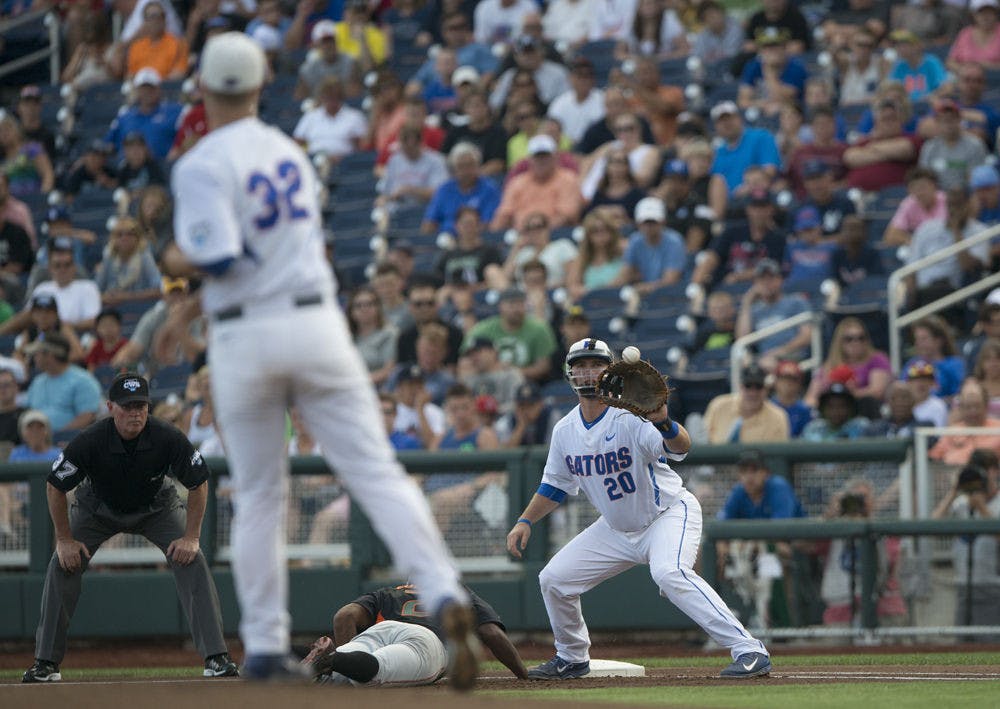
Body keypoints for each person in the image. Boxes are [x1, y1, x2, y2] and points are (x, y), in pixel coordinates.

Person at [161, 33, 478, 684]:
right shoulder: (291, 153)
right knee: (379, 473)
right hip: (316, 321)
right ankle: (445, 593)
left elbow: (217, 257)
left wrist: (174, 266)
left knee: (258, 495)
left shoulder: (199, 162)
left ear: (203, 88)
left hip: (245, 335)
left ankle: (271, 647)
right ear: (260, 84)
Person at [505, 338, 771, 680]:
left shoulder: (630, 417)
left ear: (610, 371)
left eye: (596, 365)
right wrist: (525, 520)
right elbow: (555, 485)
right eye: (581, 366)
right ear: (570, 374)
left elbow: (680, 449)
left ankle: (749, 649)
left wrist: (663, 421)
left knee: (669, 573)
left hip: (667, 514)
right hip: (616, 528)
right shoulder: (564, 430)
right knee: (554, 580)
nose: (588, 372)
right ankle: (571, 656)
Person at [21, 374, 238, 683]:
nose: (135, 413)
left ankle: (216, 656)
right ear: (111, 407)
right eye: (127, 406)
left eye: (141, 406)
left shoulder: (166, 435)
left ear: (149, 408)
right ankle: (45, 662)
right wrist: (64, 539)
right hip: (98, 507)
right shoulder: (91, 439)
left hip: (156, 506)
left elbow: (199, 482)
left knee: (193, 559)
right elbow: (55, 486)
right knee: (63, 563)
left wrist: (190, 537)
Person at [301, 583, 527, 685]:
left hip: (383, 629)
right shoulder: (456, 593)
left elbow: (344, 616)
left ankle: (332, 660)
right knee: (374, 672)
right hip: (425, 642)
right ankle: (335, 658)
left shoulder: (389, 592)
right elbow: (491, 633)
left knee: (336, 679)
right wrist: (523, 674)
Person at [930, 449, 1000, 638]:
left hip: (993, 587)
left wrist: (982, 508)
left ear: (994, 471)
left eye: (985, 470)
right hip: (963, 585)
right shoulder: (961, 503)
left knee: (991, 649)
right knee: (963, 647)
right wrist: (954, 492)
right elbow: (931, 527)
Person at [463, 287, 558, 383]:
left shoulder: (539, 329)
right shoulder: (481, 330)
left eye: (521, 304)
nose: (516, 309)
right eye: (511, 304)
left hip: (528, 385)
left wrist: (511, 373)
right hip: (487, 383)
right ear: (500, 306)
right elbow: (464, 363)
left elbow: (543, 367)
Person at [735, 259, 812, 371]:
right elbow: (742, 340)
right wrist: (747, 302)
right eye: (762, 279)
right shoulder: (754, 310)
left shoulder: (796, 301)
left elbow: (806, 335)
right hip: (764, 359)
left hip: (792, 355)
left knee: (764, 364)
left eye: (771, 278)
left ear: (780, 280)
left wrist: (781, 351)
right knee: (741, 362)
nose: (766, 283)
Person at [804, 318, 891, 415]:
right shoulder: (829, 365)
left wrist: (851, 394)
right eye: (849, 339)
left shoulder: (877, 359)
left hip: (866, 413)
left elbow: (877, 391)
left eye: (861, 338)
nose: (856, 342)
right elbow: (810, 398)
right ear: (839, 341)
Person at [25, 334, 103, 434]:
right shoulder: (37, 382)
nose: (34, 358)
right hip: (35, 443)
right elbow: (28, 412)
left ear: (49, 355)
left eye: (37, 353)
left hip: (68, 443)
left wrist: (57, 436)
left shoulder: (83, 380)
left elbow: (88, 416)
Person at [612, 197, 685, 295]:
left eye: (653, 222)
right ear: (638, 223)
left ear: (662, 222)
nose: (648, 227)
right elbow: (625, 274)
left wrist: (642, 288)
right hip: (647, 297)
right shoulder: (635, 241)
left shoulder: (674, 242)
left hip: (671, 296)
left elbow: (670, 281)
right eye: (645, 222)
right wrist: (602, 291)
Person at [704, 364, 791, 444]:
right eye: (748, 386)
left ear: (766, 390)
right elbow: (704, 442)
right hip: (718, 460)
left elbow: (777, 456)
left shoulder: (778, 417)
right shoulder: (719, 405)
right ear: (741, 387)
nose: (753, 393)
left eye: (758, 387)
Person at [929, 380, 1000, 465]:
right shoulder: (952, 432)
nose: (973, 411)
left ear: (985, 406)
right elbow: (934, 458)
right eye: (968, 407)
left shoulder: (997, 429)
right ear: (961, 408)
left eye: (977, 406)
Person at [801, 383, 871, 441]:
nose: (836, 411)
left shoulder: (862, 426)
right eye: (830, 406)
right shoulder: (813, 428)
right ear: (822, 409)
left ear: (851, 408)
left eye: (842, 406)